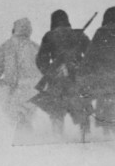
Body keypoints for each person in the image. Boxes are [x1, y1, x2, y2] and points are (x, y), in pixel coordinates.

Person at [35, 10, 91, 136]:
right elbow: (91, 56)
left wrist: (51, 71)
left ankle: (57, 140)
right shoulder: (79, 34)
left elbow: (40, 60)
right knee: (82, 108)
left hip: (57, 79)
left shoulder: (49, 35)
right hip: (77, 78)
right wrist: (80, 66)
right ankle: (86, 140)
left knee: (56, 110)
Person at [0, 18, 40, 127]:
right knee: (26, 119)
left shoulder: (7, 46)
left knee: (16, 121)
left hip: (15, 90)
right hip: (34, 91)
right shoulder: (36, 47)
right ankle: (28, 137)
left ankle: (20, 138)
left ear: (14, 29)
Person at [78, 7, 115, 135]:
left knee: (91, 95)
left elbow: (90, 56)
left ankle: (100, 129)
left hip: (102, 79)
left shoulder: (101, 32)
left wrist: (82, 73)